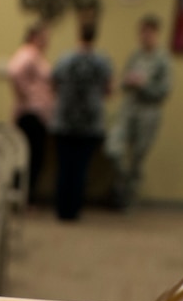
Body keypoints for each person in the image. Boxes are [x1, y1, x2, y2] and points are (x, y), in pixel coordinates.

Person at [48, 20, 112, 222]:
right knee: (80, 169)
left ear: (79, 33)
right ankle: (74, 211)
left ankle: (61, 210)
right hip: (90, 124)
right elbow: (108, 90)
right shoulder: (103, 62)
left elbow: (53, 84)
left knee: (64, 167)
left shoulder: (64, 59)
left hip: (64, 121)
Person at [109, 15, 173, 209]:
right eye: (141, 32)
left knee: (138, 156)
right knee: (114, 149)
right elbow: (123, 81)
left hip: (149, 112)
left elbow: (164, 91)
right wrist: (125, 82)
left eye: (148, 32)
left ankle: (127, 199)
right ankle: (121, 186)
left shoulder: (163, 59)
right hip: (129, 109)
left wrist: (144, 85)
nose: (144, 36)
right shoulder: (135, 56)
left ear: (155, 33)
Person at [6, 23, 54, 202]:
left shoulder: (35, 56)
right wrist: (25, 96)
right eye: (44, 37)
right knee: (30, 158)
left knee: (33, 157)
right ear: (34, 36)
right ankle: (24, 199)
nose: (47, 41)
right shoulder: (29, 53)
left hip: (36, 114)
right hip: (31, 114)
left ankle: (25, 197)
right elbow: (14, 72)